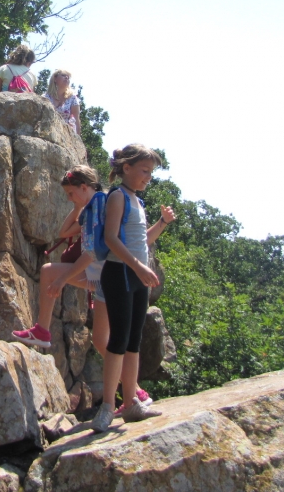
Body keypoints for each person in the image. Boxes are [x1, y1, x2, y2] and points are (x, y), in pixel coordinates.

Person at [12, 166, 152, 410]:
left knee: (51, 275)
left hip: (104, 276)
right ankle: (135, 390)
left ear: (84, 187)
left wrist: (62, 278)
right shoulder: (94, 205)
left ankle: (133, 391)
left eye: (71, 193)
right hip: (99, 278)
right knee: (101, 340)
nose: (69, 198)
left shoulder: (99, 205)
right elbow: (64, 232)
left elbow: (92, 251)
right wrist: (77, 207)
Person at [92, 144, 176, 432]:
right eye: (144, 171)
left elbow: (143, 240)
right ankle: (106, 408)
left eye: (150, 173)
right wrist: (139, 267)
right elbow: (111, 239)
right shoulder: (117, 197)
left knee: (133, 341)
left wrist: (163, 223)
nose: (148, 177)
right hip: (119, 274)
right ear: (126, 168)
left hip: (137, 278)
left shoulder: (137, 202)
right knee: (117, 341)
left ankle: (131, 404)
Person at [44, 69, 81, 134]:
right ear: (55, 79)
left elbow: (76, 120)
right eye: (63, 75)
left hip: (68, 134)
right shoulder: (45, 97)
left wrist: (78, 140)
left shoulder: (73, 98)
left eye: (68, 77)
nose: (67, 77)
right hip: (50, 130)